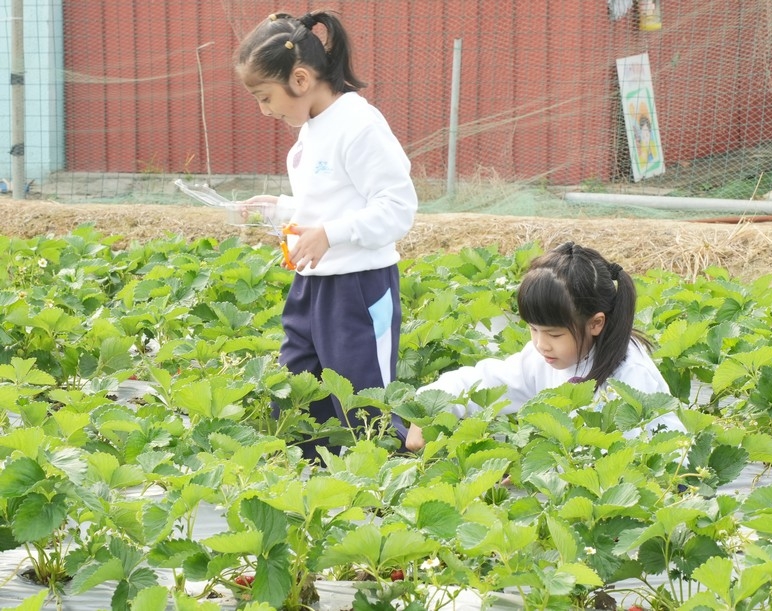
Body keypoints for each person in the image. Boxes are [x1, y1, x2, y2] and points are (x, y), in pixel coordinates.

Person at [235, 11, 418, 459]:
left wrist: (331, 234)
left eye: (265, 97)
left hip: (359, 287)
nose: (265, 110)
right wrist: (281, 208)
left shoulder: (358, 125)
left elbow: (397, 207)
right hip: (311, 286)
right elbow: (330, 200)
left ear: (300, 79)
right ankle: (314, 479)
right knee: (298, 391)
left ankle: (389, 479)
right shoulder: (311, 130)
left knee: (364, 401)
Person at [405, 242, 679, 451]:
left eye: (554, 334)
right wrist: (430, 405)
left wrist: (549, 472)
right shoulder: (543, 357)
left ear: (596, 323)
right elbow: (485, 381)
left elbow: (640, 459)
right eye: (533, 329)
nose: (540, 344)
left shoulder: (631, 376)